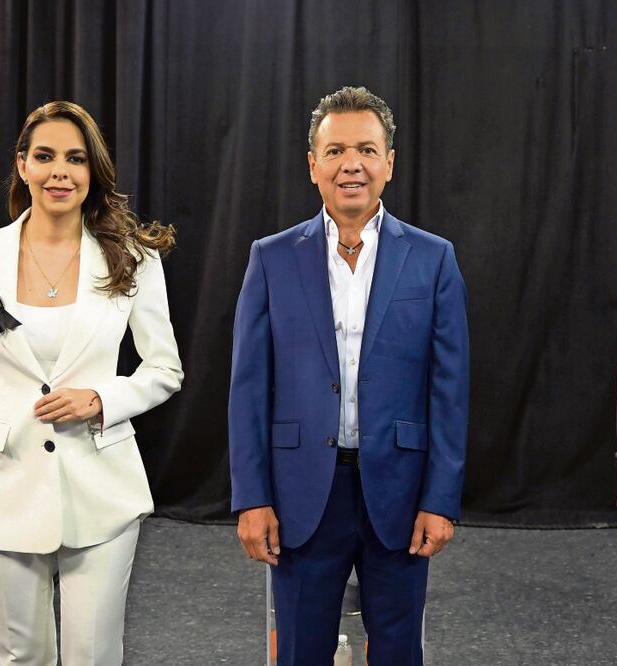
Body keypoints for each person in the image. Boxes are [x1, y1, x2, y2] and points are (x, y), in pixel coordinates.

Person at [228, 86, 469, 665]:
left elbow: (451, 389)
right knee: (301, 652)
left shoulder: (434, 259)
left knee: (397, 651)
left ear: (389, 162)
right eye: (335, 151)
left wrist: (441, 498)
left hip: (401, 493)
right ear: (313, 166)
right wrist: (252, 496)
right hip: (301, 493)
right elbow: (248, 388)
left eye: (365, 149)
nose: (351, 164)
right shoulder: (272, 257)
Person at [0, 101, 183, 665]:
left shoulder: (135, 258)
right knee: (20, 656)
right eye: (44, 157)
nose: (60, 172)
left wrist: (101, 399)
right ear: (22, 165)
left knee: (92, 655)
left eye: (75, 159)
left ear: (92, 172)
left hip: (102, 488)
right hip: (3, 486)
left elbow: (164, 369)